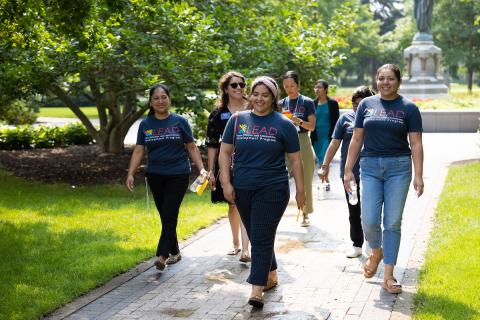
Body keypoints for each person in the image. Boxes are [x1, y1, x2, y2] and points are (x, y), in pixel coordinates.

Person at [219, 76, 305, 308]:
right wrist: (226, 183)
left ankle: (257, 289)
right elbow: (225, 153)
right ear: (250, 95)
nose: (259, 99)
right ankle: (272, 273)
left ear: (273, 98)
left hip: (273, 188)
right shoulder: (238, 120)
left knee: (261, 237)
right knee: (259, 236)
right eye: (256, 93)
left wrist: (301, 191)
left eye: (265, 95)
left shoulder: (284, 124)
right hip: (243, 188)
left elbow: (296, 161)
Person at [344, 64, 424, 294]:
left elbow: (416, 143)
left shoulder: (409, 108)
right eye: (381, 78)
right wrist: (348, 170)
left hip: (398, 168)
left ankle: (388, 275)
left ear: (399, 81)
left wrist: (418, 175)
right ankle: (376, 251)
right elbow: (357, 139)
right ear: (376, 80)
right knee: (368, 219)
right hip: (369, 167)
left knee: (392, 222)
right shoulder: (367, 105)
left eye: (390, 79)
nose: (385, 82)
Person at [126, 84, 207, 272]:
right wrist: (130, 173)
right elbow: (139, 149)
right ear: (151, 102)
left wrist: (202, 169)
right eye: (156, 98)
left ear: (169, 99)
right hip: (155, 175)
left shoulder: (180, 122)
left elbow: (191, 146)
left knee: (170, 213)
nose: (160, 101)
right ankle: (176, 251)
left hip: (178, 174)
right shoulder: (146, 124)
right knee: (166, 215)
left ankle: (163, 255)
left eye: (164, 97)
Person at [318, 86, 375, 258]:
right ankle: (357, 244)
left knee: (370, 210)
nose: (357, 107)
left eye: (361, 103)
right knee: (354, 210)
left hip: (372, 173)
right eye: (354, 103)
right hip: (350, 174)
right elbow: (335, 143)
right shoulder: (345, 119)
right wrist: (325, 165)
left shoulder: (375, 119)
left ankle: (372, 243)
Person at [206, 71, 250, 262]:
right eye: (234, 85)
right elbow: (212, 145)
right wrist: (211, 171)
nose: (239, 88)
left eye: (242, 84)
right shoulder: (217, 114)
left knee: (246, 204)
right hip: (226, 165)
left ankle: (246, 249)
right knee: (233, 204)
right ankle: (235, 242)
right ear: (225, 88)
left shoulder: (252, 109)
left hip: (249, 163)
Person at [279, 71, 316, 227]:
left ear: (298, 85)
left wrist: (297, 120)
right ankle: (276, 211)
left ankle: (305, 213)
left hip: (302, 140)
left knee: (305, 177)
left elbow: (312, 127)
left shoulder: (307, 102)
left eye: (292, 85)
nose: (290, 89)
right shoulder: (281, 104)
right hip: (284, 142)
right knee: (279, 178)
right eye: (286, 86)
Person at [311, 80, 340, 191]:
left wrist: (334, 136)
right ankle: (324, 180)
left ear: (325, 89)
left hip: (328, 136)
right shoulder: (312, 103)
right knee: (320, 160)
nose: (317, 89)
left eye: (319, 87)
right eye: (315, 87)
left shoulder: (332, 103)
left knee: (324, 159)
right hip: (316, 136)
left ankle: (325, 181)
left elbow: (336, 121)